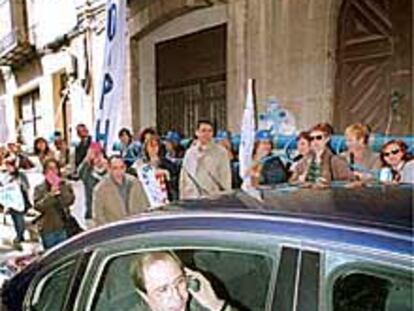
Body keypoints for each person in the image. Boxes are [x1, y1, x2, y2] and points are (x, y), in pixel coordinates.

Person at [129, 251, 234, 311]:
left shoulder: (199, 306)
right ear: (144, 296)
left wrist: (216, 305)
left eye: (179, 282)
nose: (177, 297)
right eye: (163, 290)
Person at [179, 120, 231, 199]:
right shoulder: (190, 153)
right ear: (197, 132)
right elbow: (184, 179)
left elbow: (225, 178)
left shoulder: (221, 153)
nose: (206, 134)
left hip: (212, 199)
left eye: (209, 131)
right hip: (192, 198)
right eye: (203, 131)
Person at [92, 156, 149, 226]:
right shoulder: (100, 189)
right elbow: (98, 217)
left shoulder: (135, 183)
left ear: (125, 168)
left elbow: (145, 206)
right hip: (115, 232)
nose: (119, 171)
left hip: (136, 229)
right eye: (115, 168)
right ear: (109, 169)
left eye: (121, 167)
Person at [34, 158, 75, 249]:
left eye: (54, 168)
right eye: (49, 169)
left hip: (63, 227)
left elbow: (69, 201)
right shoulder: (39, 188)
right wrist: (51, 195)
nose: (52, 172)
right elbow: (38, 206)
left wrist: (61, 189)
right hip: (48, 229)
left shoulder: (65, 185)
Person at [133, 135, 179, 203]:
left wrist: (167, 175)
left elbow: (173, 184)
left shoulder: (168, 164)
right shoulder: (140, 164)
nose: (153, 148)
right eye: (151, 146)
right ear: (146, 148)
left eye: (156, 145)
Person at [2, 156, 31, 249]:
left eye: (10, 166)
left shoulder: (21, 175)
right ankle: (19, 234)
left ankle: (20, 235)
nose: (8, 168)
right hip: (10, 200)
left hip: (21, 199)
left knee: (19, 218)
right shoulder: (6, 175)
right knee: (14, 218)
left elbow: (26, 186)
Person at [78, 142, 108, 220]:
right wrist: (87, 158)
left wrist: (108, 168)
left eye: (99, 154)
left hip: (108, 213)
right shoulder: (88, 172)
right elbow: (79, 173)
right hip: (91, 213)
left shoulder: (110, 170)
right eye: (95, 155)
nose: (97, 158)